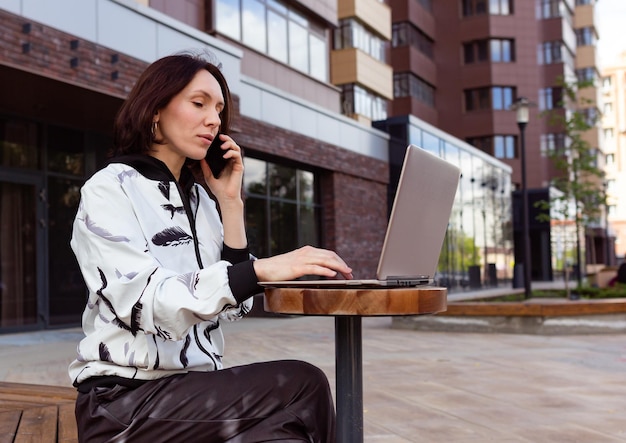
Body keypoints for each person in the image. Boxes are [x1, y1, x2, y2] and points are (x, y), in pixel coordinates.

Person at [69, 51, 353, 442]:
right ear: (155, 110)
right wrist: (261, 269)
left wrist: (231, 203)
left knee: (286, 436)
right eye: (199, 103)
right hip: (123, 403)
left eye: (219, 109)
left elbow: (235, 306)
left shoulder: (201, 201)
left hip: (191, 394)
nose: (214, 119)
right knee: (303, 385)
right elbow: (147, 304)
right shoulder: (110, 188)